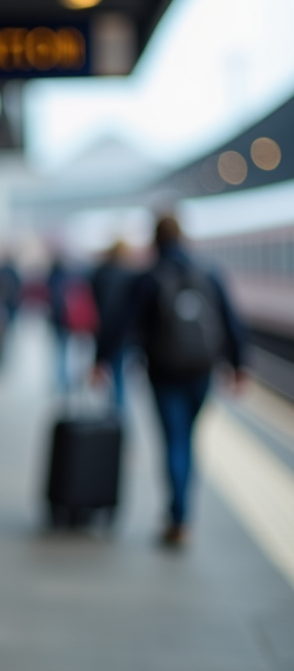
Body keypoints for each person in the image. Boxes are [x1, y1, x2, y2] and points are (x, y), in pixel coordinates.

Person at [95, 215, 246, 548]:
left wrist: (101, 360)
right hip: (202, 370)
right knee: (189, 439)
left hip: (163, 371)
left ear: (155, 240)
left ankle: (178, 518)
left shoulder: (148, 278)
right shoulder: (209, 272)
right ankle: (182, 513)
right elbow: (231, 320)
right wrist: (238, 366)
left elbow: (122, 323)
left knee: (174, 440)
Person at [90, 241, 136, 416]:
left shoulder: (100, 274)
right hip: (127, 335)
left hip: (106, 332)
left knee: (115, 379)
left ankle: (117, 419)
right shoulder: (131, 274)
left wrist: (99, 355)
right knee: (120, 379)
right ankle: (119, 420)